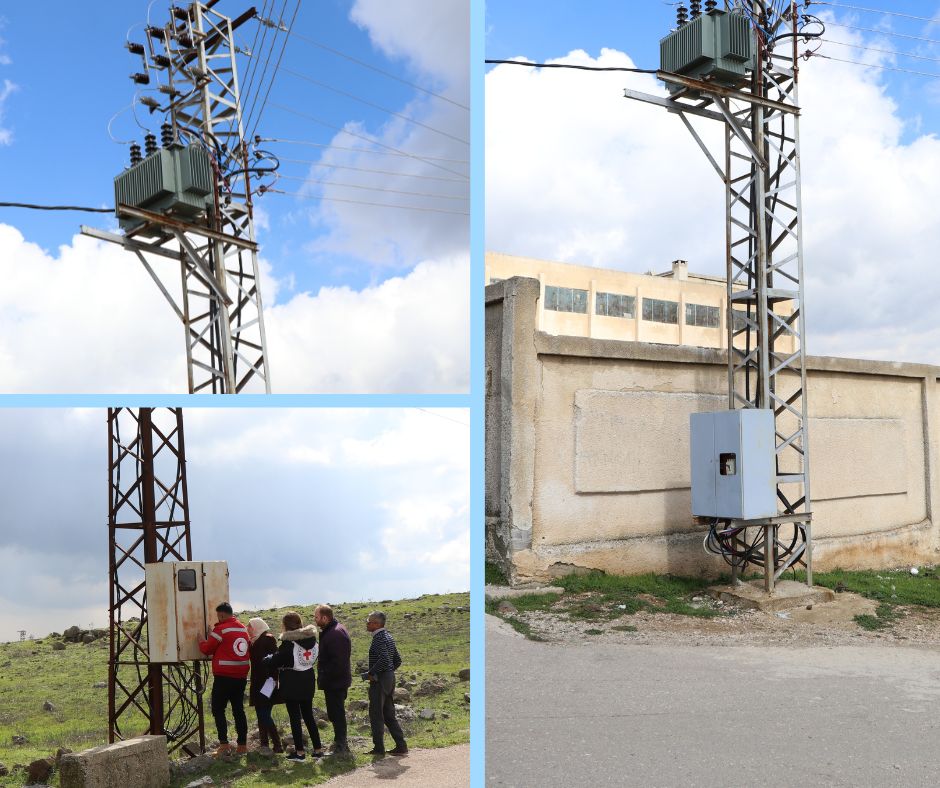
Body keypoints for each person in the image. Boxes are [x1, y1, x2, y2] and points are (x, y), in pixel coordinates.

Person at [263, 611, 324, 761]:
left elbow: (275, 660)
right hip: (308, 680)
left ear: (285, 626)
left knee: (295, 718)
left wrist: (267, 659)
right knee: (309, 716)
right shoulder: (313, 641)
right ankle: (318, 749)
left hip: (292, 683)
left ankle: (300, 752)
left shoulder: (289, 644)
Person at [199, 602, 251, 756]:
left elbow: (207, 649)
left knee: (218, 709)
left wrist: (201, 639)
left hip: (223, 677)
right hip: (241, 677)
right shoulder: (242, 628)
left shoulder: (221, 629)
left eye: (218, 616)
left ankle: (224, 744)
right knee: (238, 710)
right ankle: (242, 745)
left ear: (221, 615)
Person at [362, 611, 408, 757]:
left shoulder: (379, 639)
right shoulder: (388, 636)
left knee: (376, 714)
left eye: (369, 621)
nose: (367, 624)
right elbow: (397, 660)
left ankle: (379, 748)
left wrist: (371, 673)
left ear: (376, 624)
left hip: (380, 680)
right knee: (388, 714)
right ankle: (401, 746)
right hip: (389, 679)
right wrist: (389, 671)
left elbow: (384, 659)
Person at [314, 604, 352, 755]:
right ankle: (339, 742)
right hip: (334, 681)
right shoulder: (332, 631)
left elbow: (339, 662)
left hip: (336, 682)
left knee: (337, 713)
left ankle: (341, 745)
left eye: (316, 617)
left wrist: (324, 673)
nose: (315, 620)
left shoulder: (335, 634)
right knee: (335, 713)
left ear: (325, 617)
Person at [247, 617, 284, 753]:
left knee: (264, 713)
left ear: (256, 627)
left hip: (267, 682)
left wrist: (273, 680)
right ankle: (264, 745)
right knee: (261, 713)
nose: (248, 629)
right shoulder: (254, 641)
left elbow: (274, 661)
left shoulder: (268, 639)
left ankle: (277, 744)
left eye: (249, 626)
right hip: (258, 683)